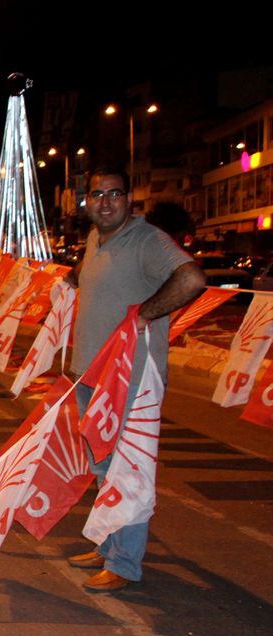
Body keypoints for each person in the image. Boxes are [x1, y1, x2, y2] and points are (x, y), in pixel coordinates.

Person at [66, 167, 205, 592]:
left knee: (126, 471)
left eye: (115, 194)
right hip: (92, 376)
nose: (105, 202)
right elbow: (97, 280)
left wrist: (145, 313)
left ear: (129, 200)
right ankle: (109, 546)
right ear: (86, 200)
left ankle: (124, 564)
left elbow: (192, 278)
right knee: (104, 468)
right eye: (97, 195)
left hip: (129, 380)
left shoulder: (146, 240)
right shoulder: (97, 239)